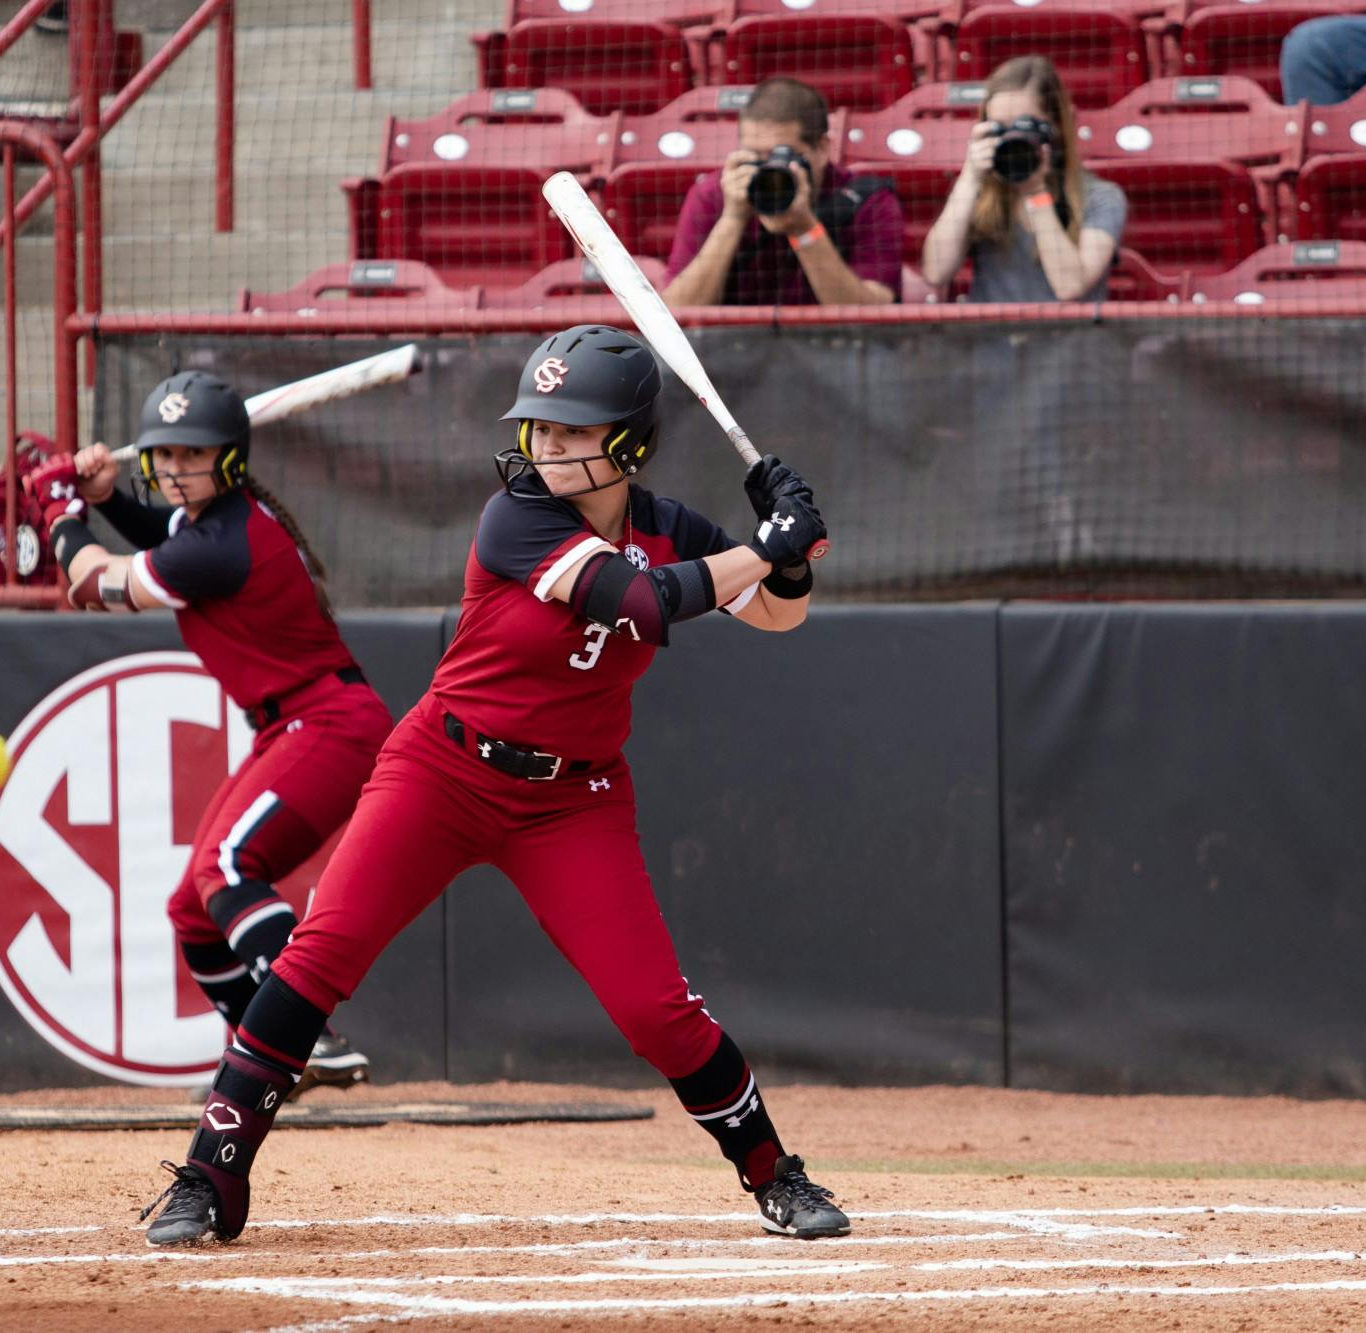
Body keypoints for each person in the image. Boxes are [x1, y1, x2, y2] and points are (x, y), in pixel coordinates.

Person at [135, 326, 851, 1248]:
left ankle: (776, 1176)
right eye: (538, 429)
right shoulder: (515, 518)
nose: (543, 447)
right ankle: (208, 1174)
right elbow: (640, 602)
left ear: (628, 443)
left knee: (654, 1009)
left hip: (572, 799)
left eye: (569, 432)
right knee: (319, 956)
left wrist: (787, 556)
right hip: (440, 768)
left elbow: (776, 615)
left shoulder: (671, 526)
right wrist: (767, 542)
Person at [24, 370, 395, 1094]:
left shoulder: (221, 541)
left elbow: (96, 585)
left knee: (227, 866)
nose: (173, 469)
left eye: (192, 455)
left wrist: (63, 514)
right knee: (194, 910)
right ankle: (263, 1064)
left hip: (328, 722)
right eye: (163, 455)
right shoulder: (216, 523)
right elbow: (158, 532)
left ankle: (306, 1027)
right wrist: (102, 499)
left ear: (228, 457)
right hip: (293, 723)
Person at [662, 77, 902, 308]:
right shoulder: (714, 194)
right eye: (755, 155)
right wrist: (733, 219)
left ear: (821, 149)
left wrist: (804, 229)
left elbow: (873, 317)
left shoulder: (868, 200)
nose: (768, 168)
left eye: (781, 155)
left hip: (837, 347)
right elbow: (676, 313)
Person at [920, 56, 1126, 304]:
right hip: (991, 339)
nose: (1012, 139)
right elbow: (935, 272)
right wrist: (969, 177)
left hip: (1068, 340)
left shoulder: (1101, 197)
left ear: (1057, 125)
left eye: (1023, 126)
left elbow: (1069, 286)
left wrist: (1036, 194)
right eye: (999, 128)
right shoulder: (977, 193)